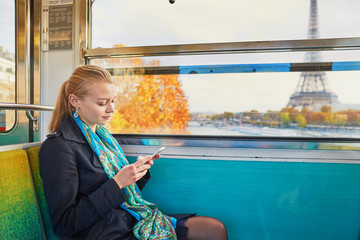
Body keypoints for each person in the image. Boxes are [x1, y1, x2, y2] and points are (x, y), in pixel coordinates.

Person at [39, 65, 228, 240]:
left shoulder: (103, 138)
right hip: (104, 233)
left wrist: (136, 175)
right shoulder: (58, 148)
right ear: (74, 100)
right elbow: (65, 224)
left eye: (113, 101)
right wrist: (118, 182)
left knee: (214, 228)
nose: (111, 109)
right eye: (102, 103)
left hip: (129, 219)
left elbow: (118, 192)